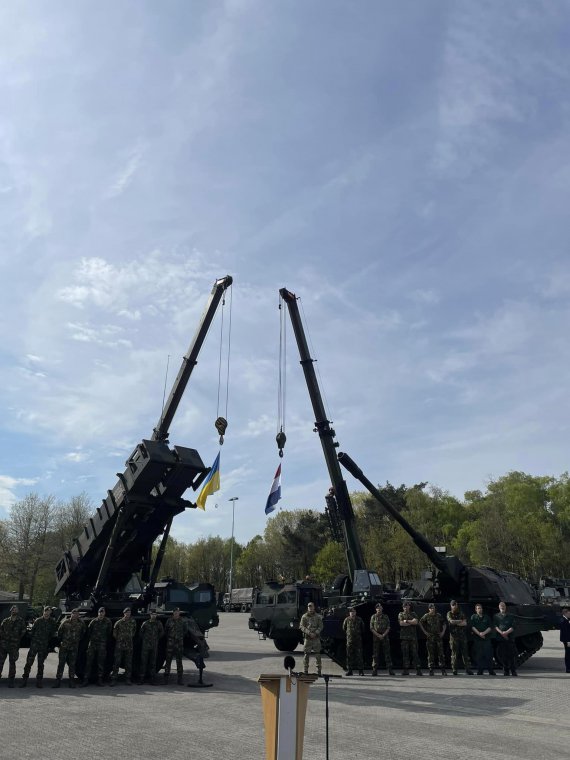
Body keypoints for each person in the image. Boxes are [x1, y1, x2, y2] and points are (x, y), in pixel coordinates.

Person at [20, 606, 57, 688]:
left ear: (50, 613)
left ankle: (39, 681)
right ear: (43, 612)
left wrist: (46, 642)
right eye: (46, 611)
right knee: (29, 663)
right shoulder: (38, 621)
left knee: (41, 664)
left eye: (49, 612)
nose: (47, 613)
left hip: (43, 646)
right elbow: (32, 632)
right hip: (35, 645)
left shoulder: (52, 622)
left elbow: (52, 633)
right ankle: (24, 680)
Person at [53, 608, 86, 688]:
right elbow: (59, 632)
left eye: (77, 614)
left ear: (78, 615)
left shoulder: (81, 623)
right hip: (64, 646)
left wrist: (76, 640)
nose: (75, 615)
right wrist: (63, 641)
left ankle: (71, 681)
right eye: (74, 613)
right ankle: (58, 681)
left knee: (72, 664)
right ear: (71, 614)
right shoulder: (65, 622)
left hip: (74, 646)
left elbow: (83, 633)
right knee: (61, 664)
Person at [82, 607, 112, 686]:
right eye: (100, 612)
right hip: (92, 644)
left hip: (102, 644)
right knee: (89, 662)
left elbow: (109, 632)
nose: (101, 613)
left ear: (104, 613)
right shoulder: (93, 621)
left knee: (100, 663)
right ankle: (85, 680)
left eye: (103, 612)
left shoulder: (108, 622)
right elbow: (89, 632)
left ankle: (100, 680)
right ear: (98, 613)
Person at [0, 605, 26, 688]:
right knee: (0, 662)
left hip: (14, 645)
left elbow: (23, 630)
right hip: (4, 645)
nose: (14, 611)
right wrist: (4, 638)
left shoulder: (20, 621)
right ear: (11, 611)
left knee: (12, 663)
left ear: (17, 611)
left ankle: (11, 680)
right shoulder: (6, 621)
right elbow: (1, 630)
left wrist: (17, 638)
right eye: (13, 610)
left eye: (16, 610)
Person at [110, 607, 137, 686]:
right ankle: (114, 679)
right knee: (117, 662)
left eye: (129, 612)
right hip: (120, 645)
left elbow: (134, 631)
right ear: (124, 613)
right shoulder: (119, 622)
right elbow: (114, 633)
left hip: (129, 645)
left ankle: (128, 679)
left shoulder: (133, 622)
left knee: (128, 662)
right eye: (126, 612)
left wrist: (130, 637)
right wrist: (120, 639)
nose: (128, 614)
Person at [419, 603, 447, 676]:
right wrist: (425, 632)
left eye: (433, 608)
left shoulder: (438, 615)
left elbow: (444, 623)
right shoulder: (426, 616)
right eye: (431, 608)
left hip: (438, 637)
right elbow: (420, 623)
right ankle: (431, 670)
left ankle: (443, 670)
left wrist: (443, 632)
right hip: (430, 637)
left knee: (441, 653)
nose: (432, 609)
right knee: (431, 654)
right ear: (429, 609)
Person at [447, 600, 473, 675]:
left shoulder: (461, 613)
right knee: (454, 653)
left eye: (455, 604)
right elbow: (451, 621)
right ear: (451, 606)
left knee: (465, 653)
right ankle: (454, 669)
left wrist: (456, 622)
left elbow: (465, 623)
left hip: (462, 637)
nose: (454, 606)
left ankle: (468, 669)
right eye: (453, 605)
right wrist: (460, 621)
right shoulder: (449, 613)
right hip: (454, 637)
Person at [138, 611, 164, 685]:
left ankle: (152, 679)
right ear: (150, 615)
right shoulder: (145, 623)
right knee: (143, 662)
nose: (153, 616)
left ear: (156, 615)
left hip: (154, 645)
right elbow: (141, 633)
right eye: (152, 614)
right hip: (145, 646)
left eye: (155, 614)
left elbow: (162, 632)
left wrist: (156, 638)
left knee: (153, 663)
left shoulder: (158, 623)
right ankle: (141, 678)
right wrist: (146, 639)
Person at [369, 603, 395, 676]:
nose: (379, 609)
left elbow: (388, 627)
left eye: (380, 608)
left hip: (385, 636)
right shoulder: (373, 617)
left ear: (382, 609)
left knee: (387, 653)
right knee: (375, 654)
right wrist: (378, 635)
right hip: (376, 637)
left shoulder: (385, 617)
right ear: (376, 609)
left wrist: (383, 635)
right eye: (378, 608)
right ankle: (374, 670)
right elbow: (371, 628)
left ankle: (390, 669)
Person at [470, 604, 496, 675]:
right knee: (479, 655)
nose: (480, 609)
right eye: (478, 608)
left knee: (488, 655)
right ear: (476, 610)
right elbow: (472, 627)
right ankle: (480, 670)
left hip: (486, 639)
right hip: (478, 639)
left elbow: (490, 627)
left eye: (480, 608)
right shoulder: (473, 617)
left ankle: (490, 670)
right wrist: (479, 634)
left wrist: (483, 633)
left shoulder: (486, 617)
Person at [493, 601, 517, 676]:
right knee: (503, 656)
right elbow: (495, 626)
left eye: (503, 606)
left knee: (512, 655)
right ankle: (506, 671)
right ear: (499, 607)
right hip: (501, 638)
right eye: (501, 606)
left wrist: (506, 632)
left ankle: (513, 671)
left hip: (509, 638)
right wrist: (502, 633)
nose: (502, 607)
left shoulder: (510, 616)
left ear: (505, 607)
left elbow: (513, 626)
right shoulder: (496, 616)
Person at [398, 601, 422, 676]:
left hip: (413, 638)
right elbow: (401, 623)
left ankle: (418, 670)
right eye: (404, 606)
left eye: (407, 606)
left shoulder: (413, 614)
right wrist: (411, 622)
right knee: (405, 654)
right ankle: (406, 670)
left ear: (409, 607)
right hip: (404, 638)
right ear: (403, 607)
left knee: (415, 654)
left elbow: (416, 622)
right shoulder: (401, 614)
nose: (406, 607)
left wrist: (406, 621)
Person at [299, 601, 323, 676]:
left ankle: (319, 671)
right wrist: (309, 633)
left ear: (314, 607)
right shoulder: (304, 616)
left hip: (316, 638)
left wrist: (315, 633)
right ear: (307, 607)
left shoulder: (318, 616)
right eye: (309, 606)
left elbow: (321, 626)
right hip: (308, 638)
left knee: (318, 654)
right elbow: (301, 626)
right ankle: (305, 670)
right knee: (306, 654)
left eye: (311, 606)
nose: (310, 607)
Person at [164, 608, 186, 685]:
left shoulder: (182, 621)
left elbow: (185, 630)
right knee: (168, 661)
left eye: (178, 612)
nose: (176, 614)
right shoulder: (169, 621)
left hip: (179, 644)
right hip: (170, 643)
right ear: (173, 613)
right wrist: (170, 638)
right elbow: (166, 630)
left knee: (179, 661)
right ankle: (166, 679)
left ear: (179, 613)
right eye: (175, 612)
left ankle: (180, 679)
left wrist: (180, 637)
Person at [342, 607, 364, 676]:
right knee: (349, 656)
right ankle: (350, 671)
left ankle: (360, 671)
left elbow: (363, 628)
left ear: (355, 612)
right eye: (351, 612)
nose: (352, 613)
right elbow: (344, 628)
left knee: (359, 656)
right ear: (349, 613)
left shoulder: (359, 619)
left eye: (354, 611)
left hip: (358, 640)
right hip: (350, 640)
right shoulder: (347, 620)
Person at [560, 607, 570, 674]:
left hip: (567, 640)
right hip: (567, 640)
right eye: (569, 613)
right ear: (565, 613)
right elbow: (566, 632)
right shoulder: (563, 620)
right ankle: (568, 669)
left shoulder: (565, 619)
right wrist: (568, 641)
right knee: (568, 654)